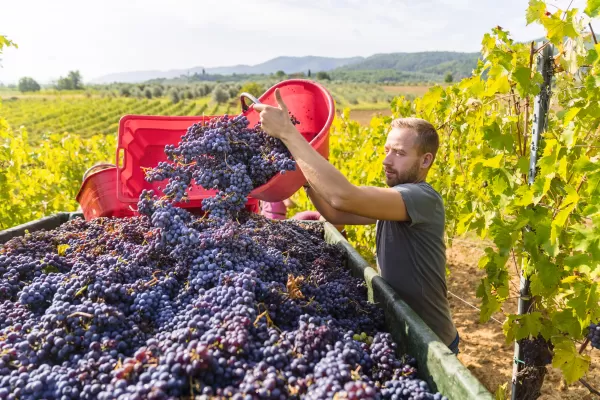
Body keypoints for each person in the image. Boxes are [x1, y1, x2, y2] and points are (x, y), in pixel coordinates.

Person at [253, 89, 460, 355]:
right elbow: (336, 213)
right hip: (406, 326)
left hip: (434, 340)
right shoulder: (395, 201)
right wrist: (305, 175)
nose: (386, 160)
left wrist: (289, 134)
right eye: (386, 150)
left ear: (425, 160)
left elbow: (343, 197)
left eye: (399, 153)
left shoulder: (422, 198)